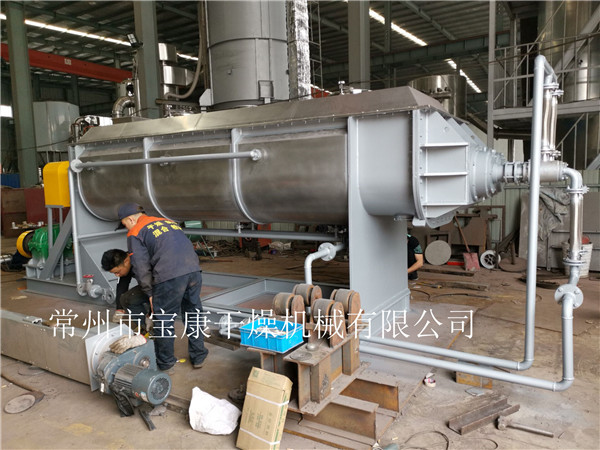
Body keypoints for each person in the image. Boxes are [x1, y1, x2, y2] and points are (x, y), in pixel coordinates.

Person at [116, 202, 208, 372]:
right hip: (193, 270)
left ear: (130, 219)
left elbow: (140, 267)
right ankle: (199, 356)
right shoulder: (168, 222)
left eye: (124, 224)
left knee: (164, 319)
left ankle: (166, 363)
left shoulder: (135, 232)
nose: (126, 228)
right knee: (193, 314)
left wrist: (150, 293)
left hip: (170, 276)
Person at [101, 249, 151, 328]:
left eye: (117, 272)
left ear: (126, 261)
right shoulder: (127, 263)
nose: (117, 275)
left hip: (164, 287)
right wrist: (119, 309)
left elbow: (155, 291)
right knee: (125, 299)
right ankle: (145, 328)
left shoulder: (142, 263)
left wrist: (150, 315)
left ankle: (156, 328)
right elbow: (122, 285)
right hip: (150, 286)